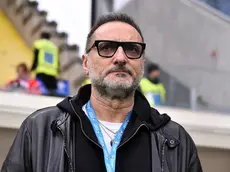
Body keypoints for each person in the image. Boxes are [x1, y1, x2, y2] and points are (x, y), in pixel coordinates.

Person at [1, 13, 202, 172]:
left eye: (132, 49)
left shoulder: (176, 142)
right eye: (106, 47)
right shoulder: (39, 130)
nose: (121, 57)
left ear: (142, 63)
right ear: (86, 63)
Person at [31, 32, 59, 96]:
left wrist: (32, 67)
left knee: (39, 91)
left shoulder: (38, 44)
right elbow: (57, 61)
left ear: (41, 37)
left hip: (41, 71)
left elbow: (36, 57)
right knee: (52, 93)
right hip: (52, 73)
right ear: (49, 38)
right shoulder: (54, 47)